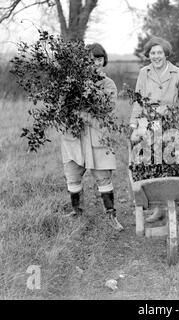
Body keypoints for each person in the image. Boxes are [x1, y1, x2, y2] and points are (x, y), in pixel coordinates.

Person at [62, 42, 124, 231]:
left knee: (103, 177)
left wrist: (82, 112)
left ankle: (111, 215)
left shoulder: (108, 84)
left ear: (104, 60)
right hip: (74, 136)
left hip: (98, 136)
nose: (95, 63)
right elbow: (64, 108)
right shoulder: (71, 83)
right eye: (90, 59)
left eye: (99, 59)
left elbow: (106, 108)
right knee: (72, 176)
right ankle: (77, 212)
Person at [129, 36, 179, 222]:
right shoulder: (143, 73)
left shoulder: (178, 73)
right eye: (152, 53)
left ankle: (175, 203)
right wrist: (134, 123)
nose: (156, 56)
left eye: (159, 53)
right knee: (149, 161)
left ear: (166, 54)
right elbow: (139, 100)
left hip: (171, 122)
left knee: (171, 160)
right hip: (148, 122)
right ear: (148, 55)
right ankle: (157, 207)